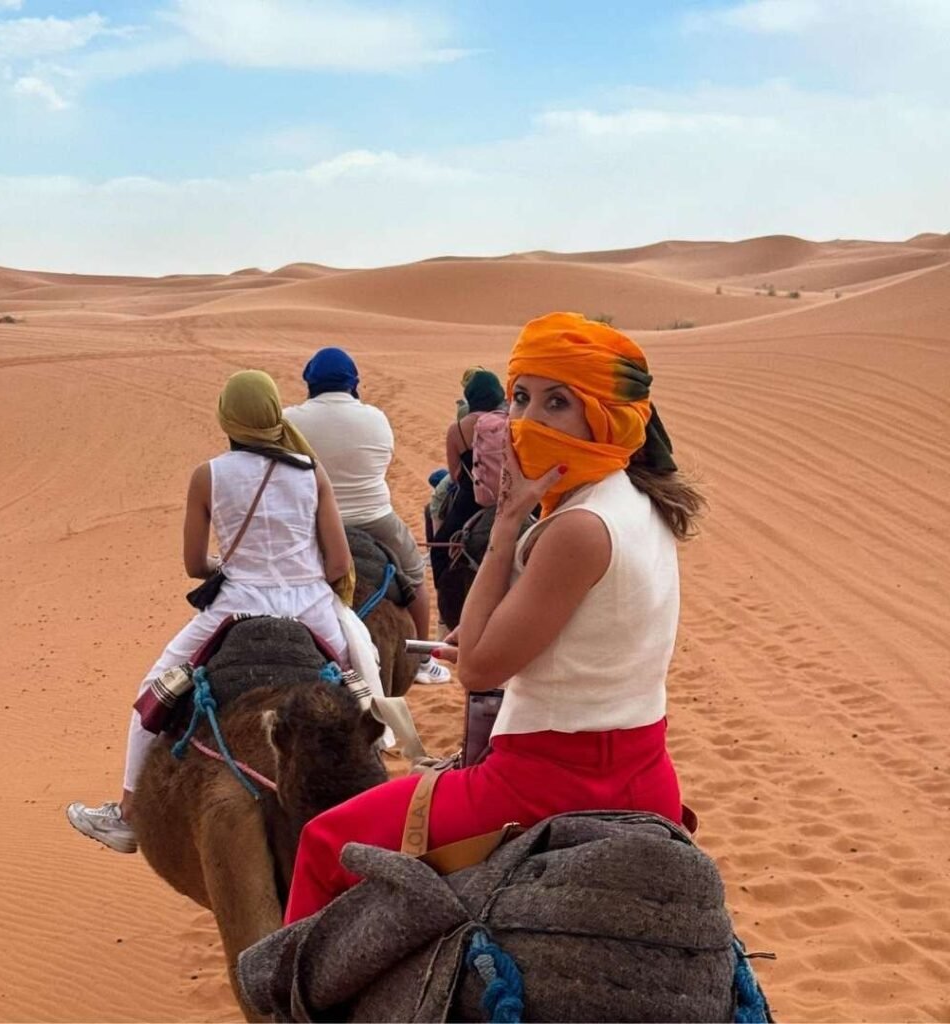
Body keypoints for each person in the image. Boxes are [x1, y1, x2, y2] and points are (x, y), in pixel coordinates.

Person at [280, 311, 705, 923]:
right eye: (521, 398)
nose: (529, 421)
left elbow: (479, 672)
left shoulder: (578, 526)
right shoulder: (643, 501)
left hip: (544, 782)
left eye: (557, 402)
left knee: (325, 841)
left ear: (605, 417)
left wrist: (506, 526)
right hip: (647, 774)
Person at [66, 369, 354, 854]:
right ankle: (379, 796)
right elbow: (340, 564)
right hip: (311, 607)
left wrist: (232, 566)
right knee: (364, 692)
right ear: (273, 414)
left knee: (154, 691)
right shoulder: (311, 471)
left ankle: (129, 814)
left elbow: (194, 564)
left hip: (237, 607)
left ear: (227, 419)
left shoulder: (209, 475)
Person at [285, 347, 450, 686]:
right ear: (352, 382)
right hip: (375, 518)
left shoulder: (290, 420)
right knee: (415, 578)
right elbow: (383, 461)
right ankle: (421, 660)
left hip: (312, 524)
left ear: (310, 382)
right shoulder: (376, 418)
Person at [429, 369, 506, 587]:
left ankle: (443, 597)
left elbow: (455, 474)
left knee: (440, 548)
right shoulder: (511, 421)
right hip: (511, 497)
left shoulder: (457, 430)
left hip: (471, 500)